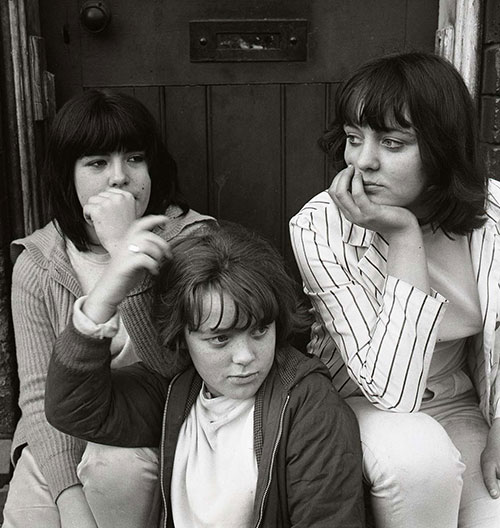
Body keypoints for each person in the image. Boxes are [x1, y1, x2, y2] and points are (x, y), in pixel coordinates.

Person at [289, 51, 500, 528]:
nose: (364, 162)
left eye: (392, 142)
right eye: (353, 139)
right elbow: (391, 392)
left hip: (460, 401)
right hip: (361, 403)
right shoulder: (320, 227)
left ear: (441, 149)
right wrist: (404, 236)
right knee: (417, 461)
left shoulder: (492, 214)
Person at [44, 221, 366, 527]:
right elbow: (75, 408)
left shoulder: (309, 404)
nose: (245, 358)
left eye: (259, 331)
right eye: (220, 338)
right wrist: (105, 299)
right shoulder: (176, 390)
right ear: (183, 335)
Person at [3, 89, 213, 528]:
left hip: (145, 431)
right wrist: (68, 498)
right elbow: (40, 399)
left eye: (134, 159)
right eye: (97, 163)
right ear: (67, 175)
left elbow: (173, 366)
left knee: (117, 470)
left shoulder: (194, 240)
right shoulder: (38, 263)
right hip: (61, 439)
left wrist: (125, 255)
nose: (119, 177)